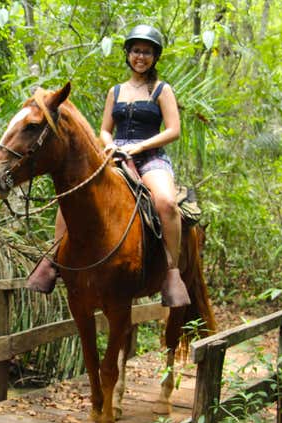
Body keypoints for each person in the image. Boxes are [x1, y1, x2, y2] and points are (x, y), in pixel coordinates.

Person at [27, 24, 190, 308]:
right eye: (136, 51)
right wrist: (110, 144)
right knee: (74, 194)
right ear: (128, 54)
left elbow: (174, 129)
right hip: (115, 156)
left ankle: (171, 271)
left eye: (147, 52)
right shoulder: (116, 91)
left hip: (151, 158)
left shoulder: (162, 90)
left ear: (155, 57)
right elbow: (104, 129)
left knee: (166, 203)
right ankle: (53, 259)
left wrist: (139, 146)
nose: (141, 56)